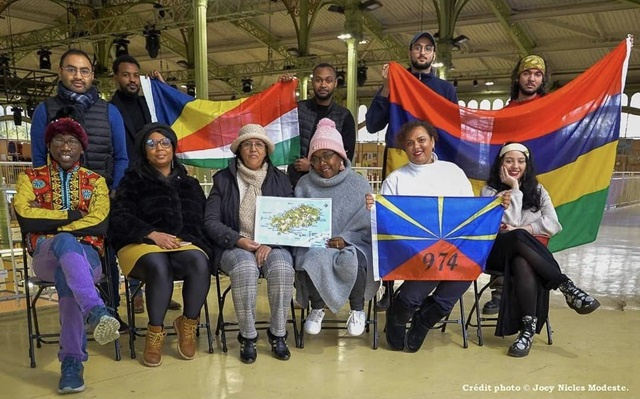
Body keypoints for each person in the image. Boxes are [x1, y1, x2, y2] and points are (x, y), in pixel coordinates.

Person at [366, 120, 499, 352]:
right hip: (413, 250)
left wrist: (498, 204)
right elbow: (386, 225)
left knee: (470, 263)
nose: (416, 146)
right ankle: (402, 309)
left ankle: (425, 318)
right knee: (435, 260)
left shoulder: (453, 172)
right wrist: (374, 208)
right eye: (409, 143)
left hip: (454, 244)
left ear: (433, 141)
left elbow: (469, 213)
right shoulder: (395, 180)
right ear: (404, 149)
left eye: (421, 140)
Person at [14, 114, 120, 394]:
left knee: (68, 275)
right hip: (45, 255)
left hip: (89, 258)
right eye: (59, 139)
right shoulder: (30, 178)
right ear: (49, 145)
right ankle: (96, 311)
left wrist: (49, 220)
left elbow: (100, 221)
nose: (65, 145)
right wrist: (72, 215)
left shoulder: (95, 181)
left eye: (72, 140)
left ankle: (71, 364)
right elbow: (25, 215)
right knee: (62, 242)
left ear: (81, 148)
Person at [29, 48, 129, 331]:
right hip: (59, 203)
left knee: (105, 255)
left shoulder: (109, 111)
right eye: (72, 69)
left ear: (92, 75)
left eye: (84, 71)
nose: (78, 76)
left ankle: (109, 310)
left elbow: (121, 156)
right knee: (66, 248)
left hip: (101, 199)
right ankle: (89, 310)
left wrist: (113, 192)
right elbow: (39, 158)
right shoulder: (44, 110)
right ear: (60, 72)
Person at [366, 32, 458, 311]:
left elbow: (454, 130)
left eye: (428, 49)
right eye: (417, 48)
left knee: (431, 224)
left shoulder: (445, 89)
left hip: (434, 166)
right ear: (410, 52)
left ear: (433, 55)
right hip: (398, 160)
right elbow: (371, 124)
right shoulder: (395, 84)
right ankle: (390, 289)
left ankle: (423, 283)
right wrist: (386, 86)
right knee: (394, 225)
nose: (422, 52)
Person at [481, 142, 600, 357]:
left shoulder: (538, 191)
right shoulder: (489, 191)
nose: (515, 165)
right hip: (496, 254)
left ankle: (526, 332)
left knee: (522, 259)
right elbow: (506, 225)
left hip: (526, 256)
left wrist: (523, 228)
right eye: (509, 160)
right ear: (500, 164)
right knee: (517, 237)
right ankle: (565, 286)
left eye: (520, 161)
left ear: (528, 164)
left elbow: (554, 224)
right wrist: (514, 189)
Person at [109, 122, 212, 367]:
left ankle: (187, 324)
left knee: (199, 260)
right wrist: (151, 234)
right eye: (151, 144)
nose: (159, 148)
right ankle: (154, 332)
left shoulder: (189, 183)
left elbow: (200, 218)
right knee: (158, 264)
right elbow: (120, 217)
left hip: (180, 243)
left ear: (173, 148)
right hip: (140, 244)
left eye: (165, 142)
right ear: (143, 150)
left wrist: (191, 240)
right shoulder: (132, 180)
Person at [204, 124, 295, 364]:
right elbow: (211, 221)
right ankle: (248, 336)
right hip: (234, 245)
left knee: (283, 269)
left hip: (273, 244)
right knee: (245, 269)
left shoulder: (281, 181)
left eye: (259, 144)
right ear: (239, 150)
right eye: (247, 144)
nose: (253, 149)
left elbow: (291, 218)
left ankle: (278, 333)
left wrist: (271, 242)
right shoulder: (223, 180)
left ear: (266, 151)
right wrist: (238, 240)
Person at [110, 54, 181, 314]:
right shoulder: (112, 108)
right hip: (130, 178)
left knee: (163, 234)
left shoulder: (148, 102)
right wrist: (118, 183)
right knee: (137, 235)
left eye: (135, 75)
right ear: (116, 77)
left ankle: (160, 290)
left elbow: (172, 116)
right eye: (126, 75)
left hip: (156, 179)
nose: (131, 80)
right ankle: (135, 292)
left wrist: (163, 89)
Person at [295, 118, 379, 338]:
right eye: (316, 158)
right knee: (312, 259)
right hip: (316, 245)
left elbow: (365, 224)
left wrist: (346, 239)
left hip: (353, 243)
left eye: (327, 156)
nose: (322, 163)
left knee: (354, 258)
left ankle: (357, 309)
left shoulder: (358, 183)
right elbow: (299, 222)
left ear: (340, 156)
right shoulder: (304, 185)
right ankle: (317, 307)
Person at [483, 54, 549, 316]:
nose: (531, 78)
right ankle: (499, 292)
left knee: (527, 231)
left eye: (537, 74)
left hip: (536, 179)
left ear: (543, 79)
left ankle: (527, 291)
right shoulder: (505, 114)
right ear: (517, 77)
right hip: (506, 180)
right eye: (526, 73)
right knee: (504, 227)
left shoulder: (550, 107)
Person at [280, 63, 356, 186]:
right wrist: (281, 90)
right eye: (318, 80)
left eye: (328, 80)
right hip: (297, 182)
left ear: (335, 83)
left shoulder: (344, 116)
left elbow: (346, 158)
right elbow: (277, 125)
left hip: (329, 185)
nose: (323, 85)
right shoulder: (299, 110)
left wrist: (311, 166)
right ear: (312, 82)